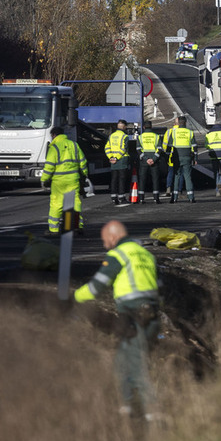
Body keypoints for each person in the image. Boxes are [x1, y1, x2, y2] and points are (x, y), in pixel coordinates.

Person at [74, 220, 161, 419]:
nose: (105, 245)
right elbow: (161, 286)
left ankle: (151, 413)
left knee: (134, 362)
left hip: (132, 315)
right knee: (124, 359)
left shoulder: (118, 255)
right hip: (152, 315)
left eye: (105, 241)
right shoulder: (147, 254)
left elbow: (98, 286)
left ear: (113, 237)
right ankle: (127, 408)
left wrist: (75, 297)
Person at [41, 126, 88, 235]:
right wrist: (85, 175)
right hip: (73, 180)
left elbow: (49, 167)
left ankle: (54, 229)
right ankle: (77, 227)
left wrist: (44, 179)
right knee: (75, 203)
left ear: (53, 135)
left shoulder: (54, 148)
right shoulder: (74, 145)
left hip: (58, 182)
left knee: (57, 204)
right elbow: (83, 162)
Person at [168, 115, 196, 203]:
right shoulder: (190, 132)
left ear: (178, 123)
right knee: (187, 176)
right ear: (185, 123)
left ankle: (175, 197)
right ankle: (191, 197)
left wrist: (167, 157)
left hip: (177, 157)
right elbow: (194, 147)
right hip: (187, 156)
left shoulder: (174, 132)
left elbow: (169, 146)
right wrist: (195, 158)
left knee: (176, 176)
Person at [105, 119, 130, 206]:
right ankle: (122, 197)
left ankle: (113, 197)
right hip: (122, 160)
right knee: (122, 180)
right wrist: (116, 158)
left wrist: (111, 157)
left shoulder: (111, 136)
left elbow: (107, 148)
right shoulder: (124, 136)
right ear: (124, 127)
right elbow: (124, 149)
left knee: (114, 179)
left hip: (113, 161)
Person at [137, 121, 162, 204]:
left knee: (142, 179)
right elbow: (159, 149)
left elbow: (138, 149)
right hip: (154, 161)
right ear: (151, 127)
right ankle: (156, 198)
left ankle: (141, 199)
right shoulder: (156, 136)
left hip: (144, 161)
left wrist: (146, 159)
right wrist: (153, 159)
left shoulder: (140, 137)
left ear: (144, 127)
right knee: (155, 179)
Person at [161, 120, 179, 196]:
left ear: (174, 124)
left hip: (170, 155)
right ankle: (178, 190)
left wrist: (166, 153)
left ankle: (168, 188)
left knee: (170, 172)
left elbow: (165, 143)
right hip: (179, 154)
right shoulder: (184, 131)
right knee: (179, 173)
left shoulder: (168, 131)